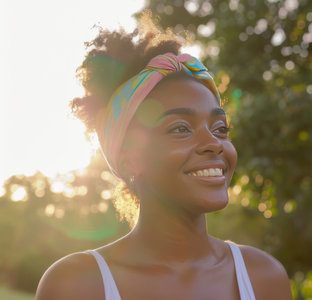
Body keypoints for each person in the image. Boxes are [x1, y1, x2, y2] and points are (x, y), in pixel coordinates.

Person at [36, 14, 292, 300]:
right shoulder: (78, 286)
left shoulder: (263, 279)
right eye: (181, 128)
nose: (214, 143)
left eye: (220, 128)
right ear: (131, 158)